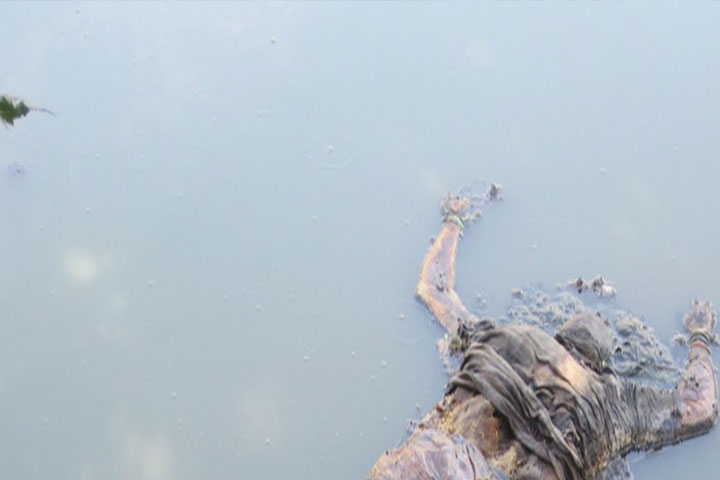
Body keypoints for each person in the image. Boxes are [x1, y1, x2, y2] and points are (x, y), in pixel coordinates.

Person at [367, 187, 717, 480]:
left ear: (559, 337)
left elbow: (434, 289)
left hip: (428, 460)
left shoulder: (501, 339)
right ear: (599, 365)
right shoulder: (616, 402)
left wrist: (453, 221)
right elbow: (700, 407)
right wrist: (699, 336)